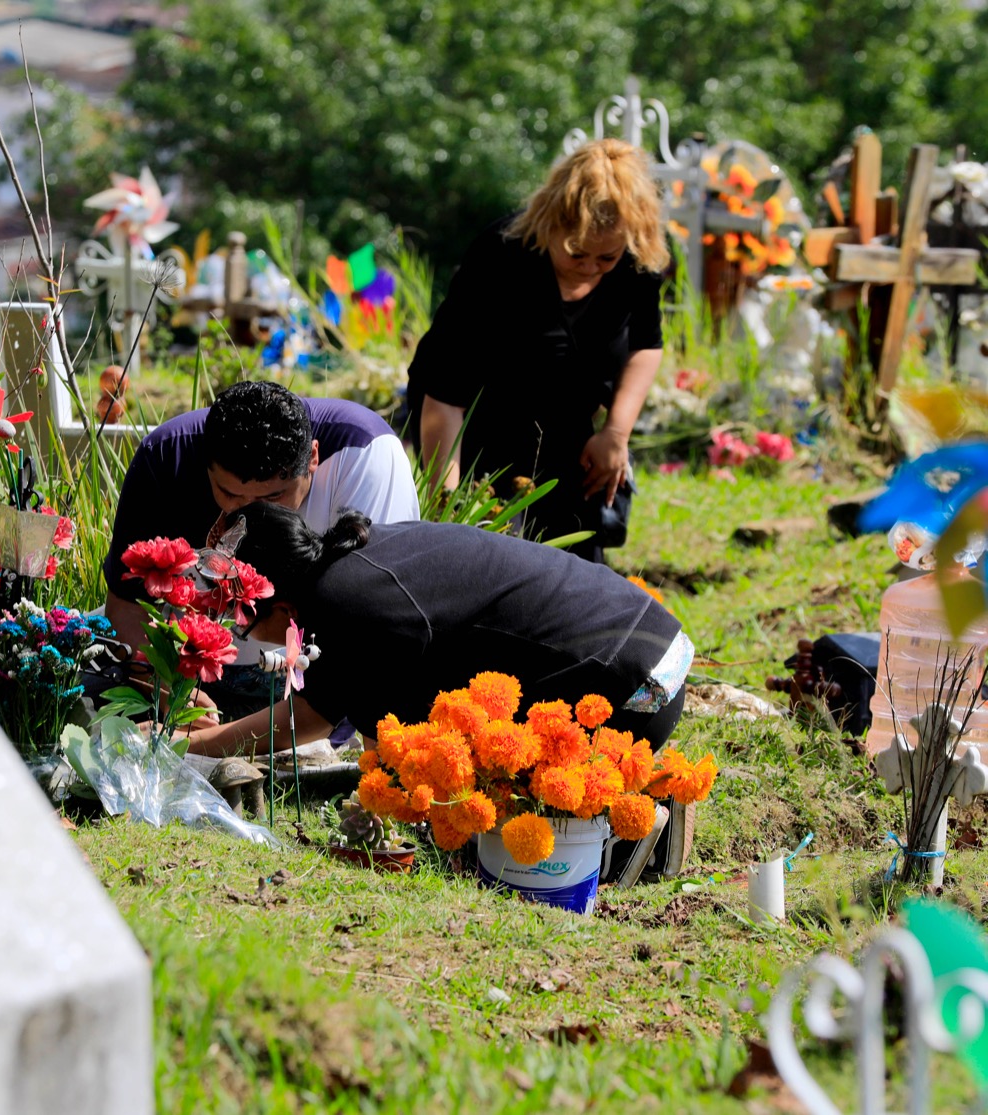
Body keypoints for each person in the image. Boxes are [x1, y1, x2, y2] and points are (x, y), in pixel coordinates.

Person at [184, 502, 692, 878]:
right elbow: (320, 710)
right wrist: (204, 741)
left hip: (632, 688)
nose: (244, 635)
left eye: (242, 623)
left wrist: (193, 746)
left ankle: (627, 832)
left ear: (279, 605)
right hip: (657, 646)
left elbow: (372, 739)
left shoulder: (347, 604)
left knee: (476, 787)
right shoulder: (357, 559)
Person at [406, 138, 669, 562]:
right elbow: (444, 392)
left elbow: (646, 344)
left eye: (606, 258)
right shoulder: (501, 256)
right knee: (484, 557)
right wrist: (447, 504)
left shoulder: (635, 261)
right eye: (576, 253)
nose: (589, 268)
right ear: (551, 224)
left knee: (575, 563)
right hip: (475, 424)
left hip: (566, 424)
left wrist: (616, 433)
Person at [103, 380, 419, 717]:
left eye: (273, 496)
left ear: (313, 458)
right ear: (205, 464)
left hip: (320, 675)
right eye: (230, 495)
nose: (249, 515)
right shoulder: (167, 457)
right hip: (189, 671)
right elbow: (127, 606)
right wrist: (166, 691)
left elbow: (371, 632)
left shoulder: (365, 454)